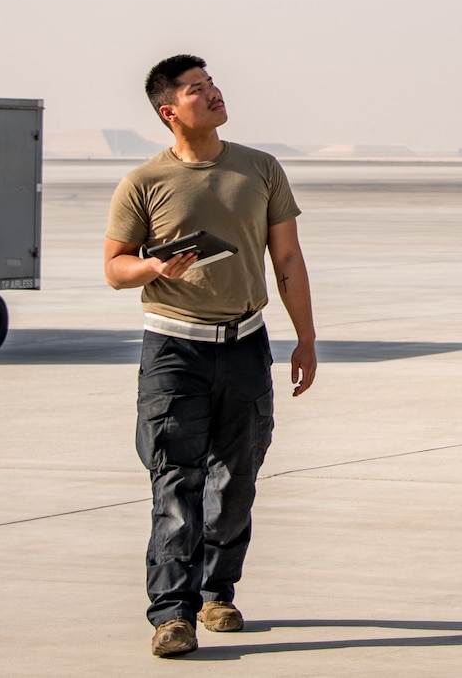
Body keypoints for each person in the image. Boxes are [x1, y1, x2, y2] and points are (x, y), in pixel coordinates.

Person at [103, 54, 318, 659]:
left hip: (247, 342)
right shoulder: (145, 182)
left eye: (213, 84)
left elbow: (289, 261)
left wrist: (304, 338)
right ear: (170, 111)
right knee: (176, 478)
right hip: (174, 347)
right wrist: (152, 265)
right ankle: (172, 614)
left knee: (237, 478)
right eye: (198, 90)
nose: (214, 94)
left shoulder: (260, 169)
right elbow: (114, 267)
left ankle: (217, 593)